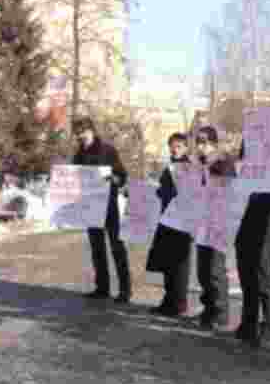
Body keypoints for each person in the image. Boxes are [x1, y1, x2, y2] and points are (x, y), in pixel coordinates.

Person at [233, 142, 270, 348]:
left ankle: (269, 326)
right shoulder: (248, 157)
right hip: (246, 215)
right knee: (245, 266)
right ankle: (249, 322)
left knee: (262, 269)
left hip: (267, 216)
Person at [72, 115, 131, 303]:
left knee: (116, 247)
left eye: (83, 132)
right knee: (97, 249)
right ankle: (102, 287)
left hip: (108, 205)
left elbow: (121, 175)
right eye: (77, 133)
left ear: (92, 131)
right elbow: (73, 179)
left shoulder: (108, 150)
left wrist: (114, 179)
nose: (80, 136)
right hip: (91, 207)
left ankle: (125, 290)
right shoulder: (79, 155)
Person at [145, 133, 192, 317]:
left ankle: (178, 303)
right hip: (167, 220)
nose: (175, 149)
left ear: (186, 148)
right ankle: (169, 300)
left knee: (179, 266)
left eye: (179, 146)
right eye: (172, 146)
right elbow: (165, 191)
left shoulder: (190, 168)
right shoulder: (170, 167)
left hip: (182, 223)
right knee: (167, 264)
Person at [194, 126, 235, 331]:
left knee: (215, 269)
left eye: (205, 142)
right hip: (203, 221)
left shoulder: (224, 162)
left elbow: (228, 191)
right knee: (202, 269)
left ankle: (221, 314)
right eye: (199, 142)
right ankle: (208, 309)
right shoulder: (200, 164)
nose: (201, 146)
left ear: (214, 143)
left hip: (218, 222)